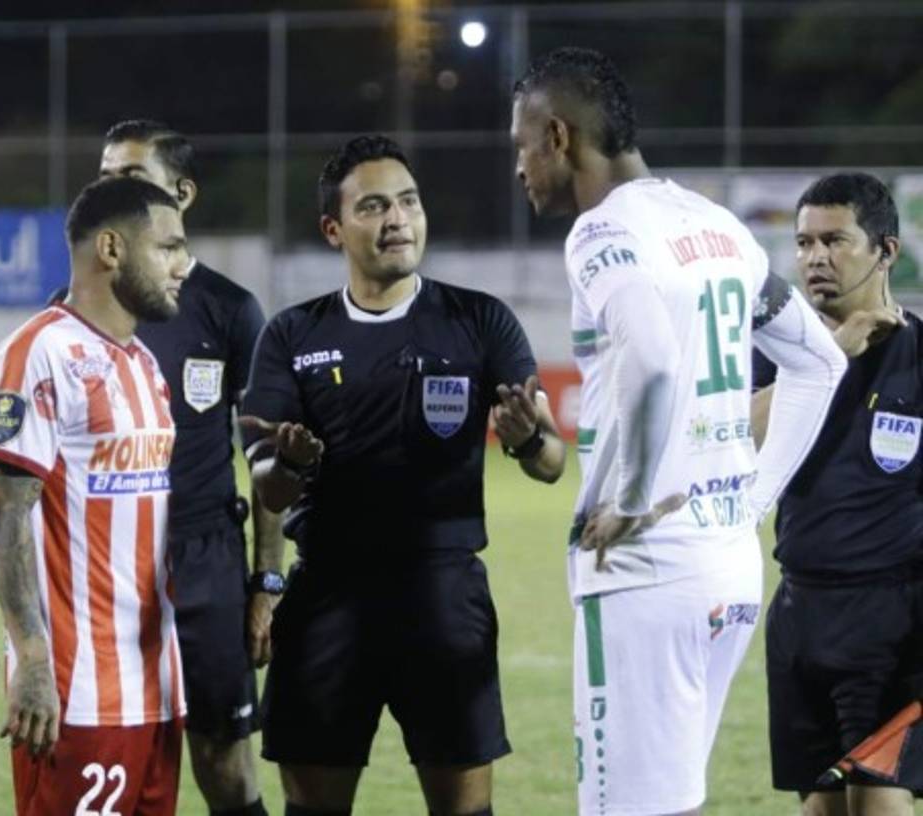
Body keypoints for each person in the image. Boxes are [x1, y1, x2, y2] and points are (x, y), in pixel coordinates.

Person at [509, 47, 849, 815]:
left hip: (643, 570)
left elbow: (655, 357)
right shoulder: (717, 226)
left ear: (557, 136)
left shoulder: (600, 235)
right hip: (727, 564)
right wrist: (752, 502)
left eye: (520, 145)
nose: (519, 166)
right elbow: (818, 363)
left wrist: (630, 497)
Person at [240, 133, 566, 816]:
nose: (398, 219)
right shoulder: (292, 335)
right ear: (334, 228)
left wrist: (528, 438)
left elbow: (550, 463)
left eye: (410, 202)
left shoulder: (480, 321)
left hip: (444, 597)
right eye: (375, 206)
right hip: (327, 595)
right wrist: (293, 464)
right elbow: (267, 485)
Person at [0, 176, 191, 816]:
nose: (183, 265)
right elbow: (5, 512)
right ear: (110, 248)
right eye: (168, 247)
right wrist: (35, 664)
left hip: (156, 689)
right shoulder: (39, 352)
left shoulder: (144, 364)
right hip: (77, 697)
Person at [97, 120, 284, 816]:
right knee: (121, 760)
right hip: (108, 561)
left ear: (182, 193)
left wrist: (266, 579)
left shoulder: (230, 309)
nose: (111, 188)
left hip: (204, 554)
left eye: (131, 176)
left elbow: (265, 458)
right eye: (105, 174)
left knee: (223, 760)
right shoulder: (83, 306)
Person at [750, 173, 923, 816]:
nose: (814, 258)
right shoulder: (778, 354)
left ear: (886, 249)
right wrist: (825, 358)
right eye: (803, 243)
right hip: (799, 614)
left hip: (891, 618)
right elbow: (733, 435)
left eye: (834, 241)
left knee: (876, 802)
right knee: (823, 808)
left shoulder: (918, 355)